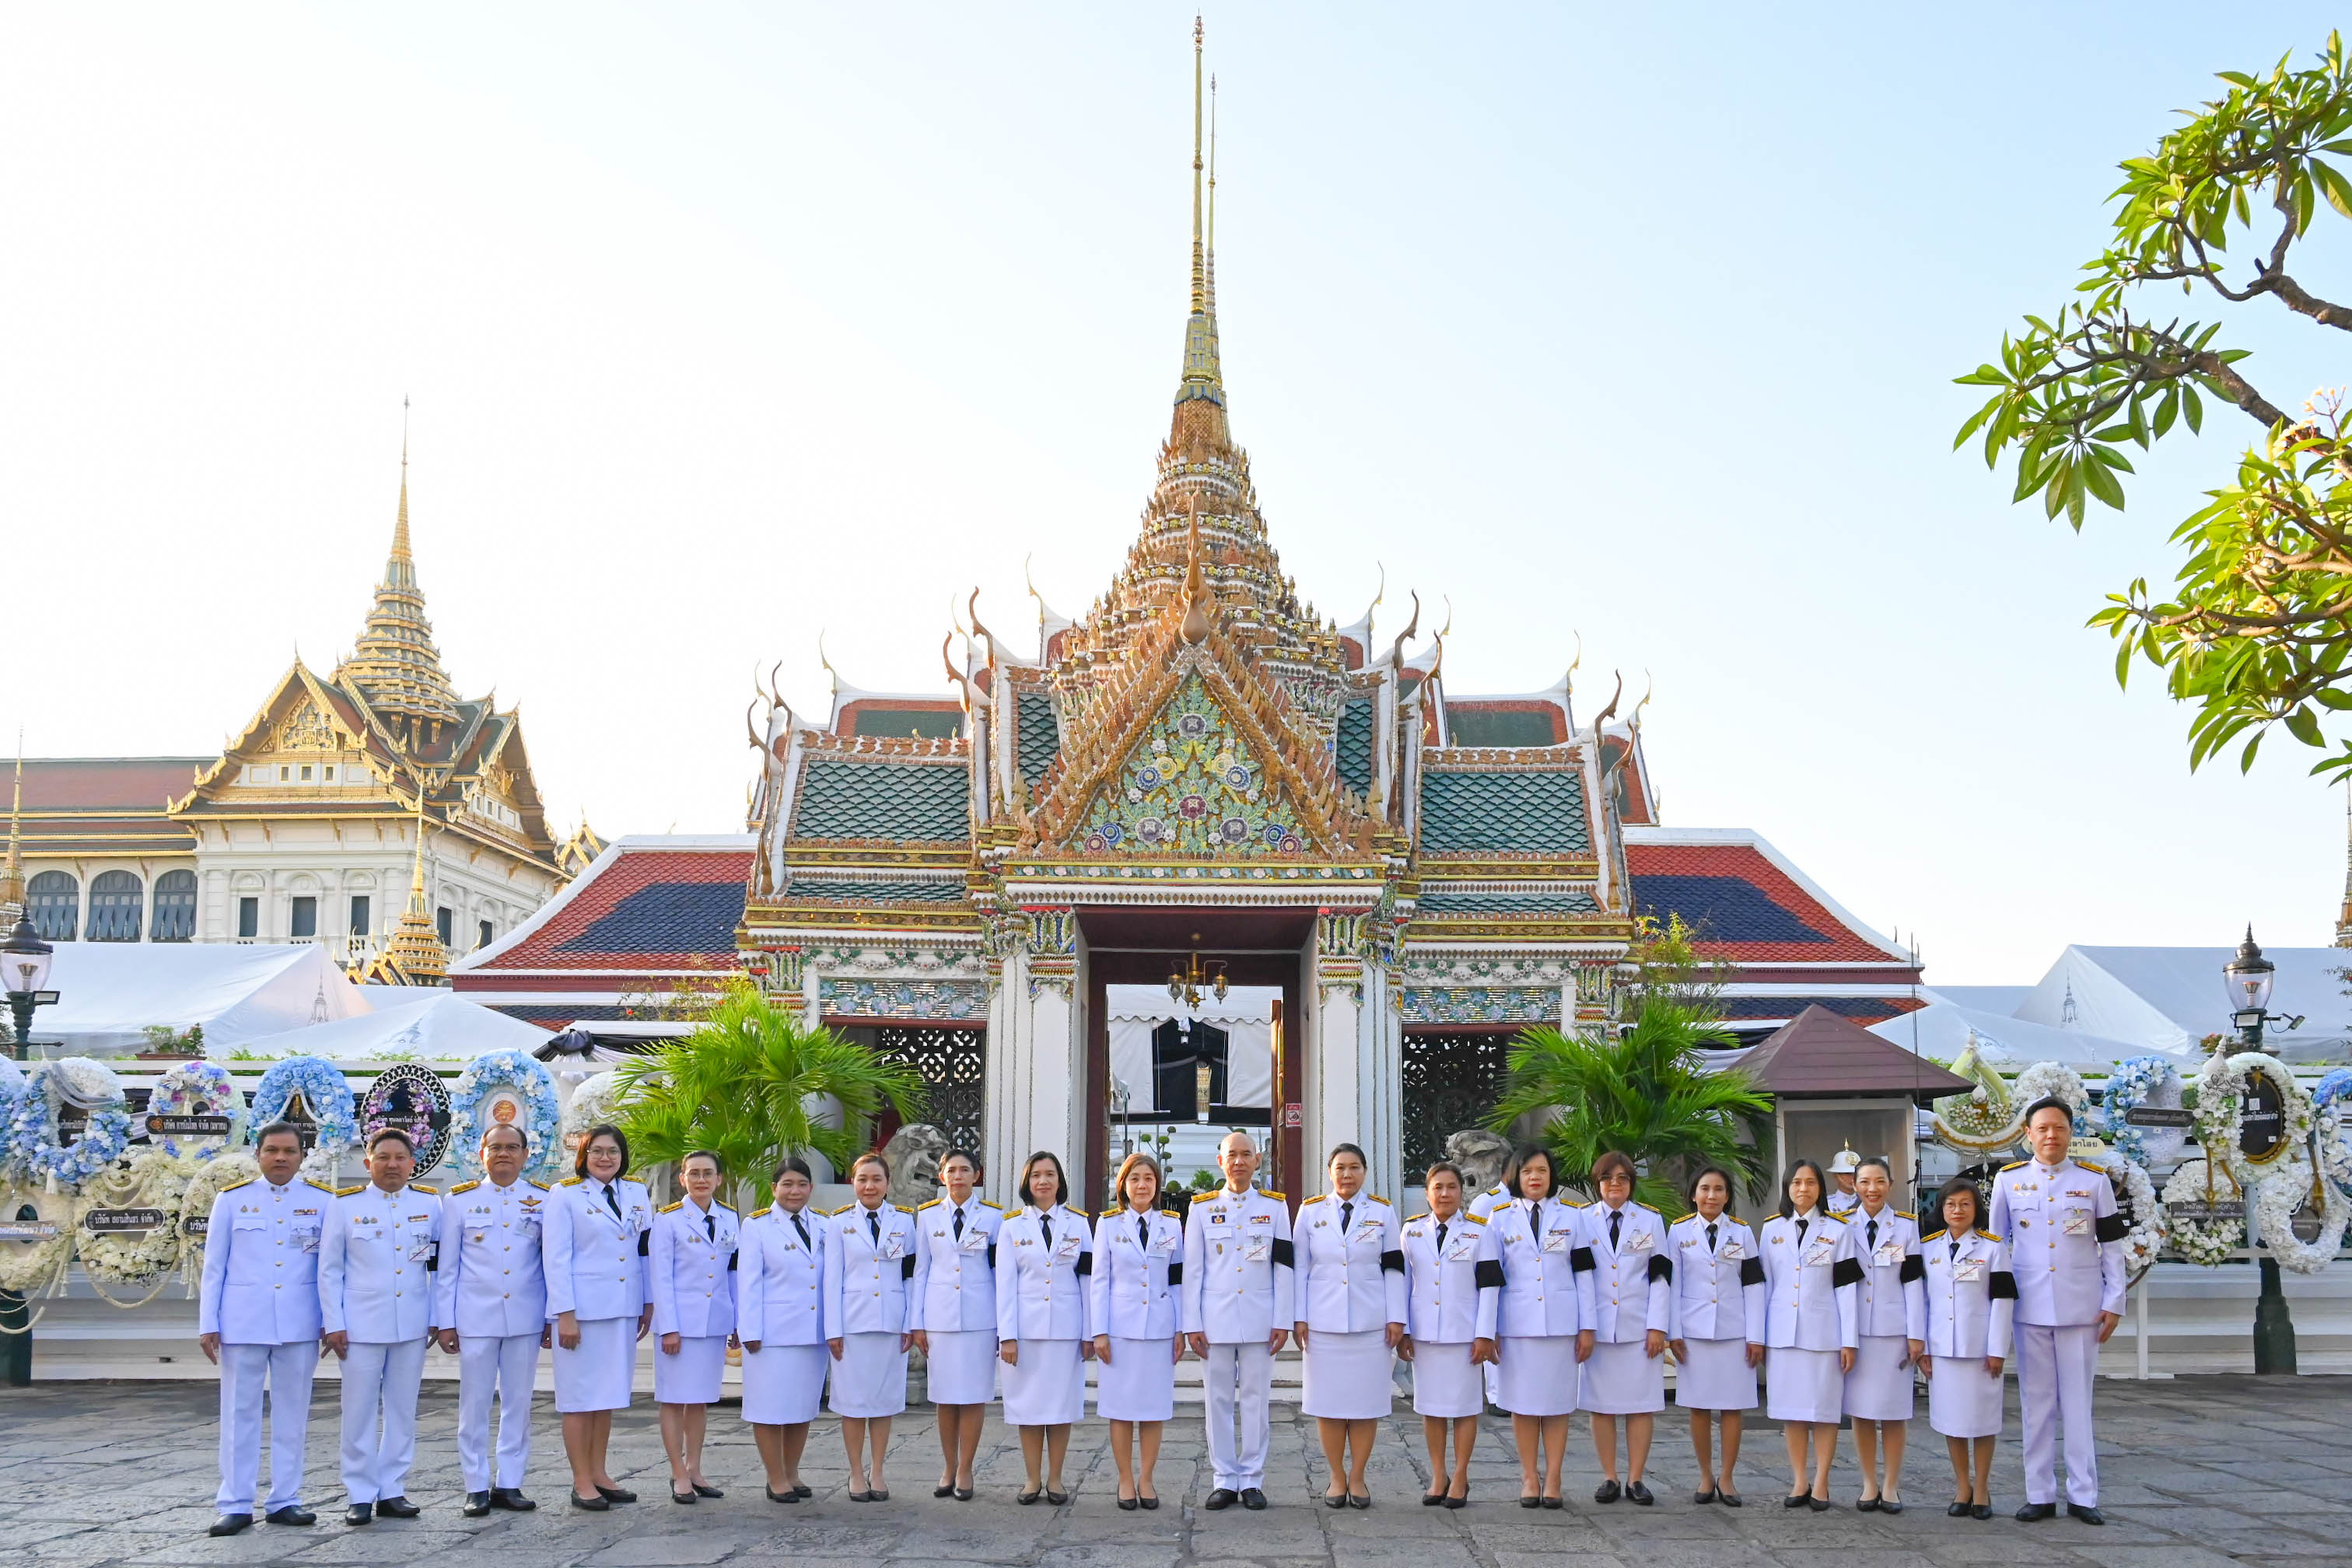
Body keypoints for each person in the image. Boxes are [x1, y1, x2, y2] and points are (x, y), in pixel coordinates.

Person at [1990, 1097, 2125, 1527]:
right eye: (2043, 1128)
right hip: (2029, 1306)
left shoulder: (2094, 1181)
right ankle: (2040, 1493)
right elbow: (1996, 1248)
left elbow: (2113, 1248)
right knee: (2037, 1403)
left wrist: (2113, 1301)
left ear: (2071, 1133)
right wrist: (1996, 1310)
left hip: (2081, 1307)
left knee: (2078, 1403)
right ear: (2028, 1134)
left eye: (2059, 1128)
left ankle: (2083, 1495)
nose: (2051, 1135)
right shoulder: (2009, 1181)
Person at [199, 1122, 327, 1537]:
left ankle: (286, 1499)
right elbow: (214, 1267)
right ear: (258, 1154)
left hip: (298, 1320)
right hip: (243, 1321)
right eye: (272, 1150)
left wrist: (330, 1321)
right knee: (239, 1414)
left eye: (289, 1151)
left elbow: (330, 1268)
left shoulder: (322, 1201)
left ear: (301, 1156)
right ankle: (235, 1502)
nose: (280, 1158)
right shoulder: (233, 1200)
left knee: (293, 1414)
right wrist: (209, 1323)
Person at [317, 1128, 441, 1527]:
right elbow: (329, 1270)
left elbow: (440, 1268)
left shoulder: (430, 1204)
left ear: (411, 1163)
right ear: (367, 1162)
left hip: (411, 1324)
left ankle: (392, 1489)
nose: (392, 1164)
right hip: (360, 1326)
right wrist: (333, 1323)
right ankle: (359, 1492)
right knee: (358, 1411)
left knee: (403, 1411)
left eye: (400, 1158)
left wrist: (437, 1317)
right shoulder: (344, 1206)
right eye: (383, 1157)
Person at [435, 1122, 551, 1517]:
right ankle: (475, 1485)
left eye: (511, 1147)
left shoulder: (544, 1200)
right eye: (495, 1147)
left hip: (525, 1314)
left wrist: (552, 1316)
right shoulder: (458, 1201)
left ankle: (510, 1482)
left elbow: (550, 1264)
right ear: (481, 1153)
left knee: (518, 1403)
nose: (503, 1154)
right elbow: (446, 1268)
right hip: (476, 1316)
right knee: (475, 1404)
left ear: (524, 1154)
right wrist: (445, 1322)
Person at [1182, 1130, 1293, 1511]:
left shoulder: (1276, 1208)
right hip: (1215, 1321)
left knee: (1256, 1401)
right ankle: (1224, 1479)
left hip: (1261, 1319)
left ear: (1258, 1160)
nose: (1240, 1161)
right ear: (1221, 1161)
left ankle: (1251, 1478)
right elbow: (1193, 1272)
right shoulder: (1201, 1209)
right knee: (1216, 1401)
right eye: (1232, 1155)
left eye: (1247, 1154)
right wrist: (1191, 1324)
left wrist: (1284, 1319)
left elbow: (1284, 1267)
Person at [544, 1123, 653, 1511]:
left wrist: (648, 1301)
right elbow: (555, 1259)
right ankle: (581, 1480)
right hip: (583, 1313)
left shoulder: (636, 1192)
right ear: (584, 1156)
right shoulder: (564, 1194)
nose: (605, 1158)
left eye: (613, 1151)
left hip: (622, 1307)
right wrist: (565, 1316)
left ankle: (600, 1472)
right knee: (578, 1399)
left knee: (606, 1397)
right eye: (597, 1151)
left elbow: (644, 1249)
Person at [1294, 1142, 1403, 1509]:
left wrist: (1396, 1317)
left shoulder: (1383, 1212)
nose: (1346, 1174)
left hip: (1370, 1322)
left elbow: (1394, 1267)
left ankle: (1358, 1476)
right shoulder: (1310, 1212)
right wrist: (1299, 1317)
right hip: (1323, 1322)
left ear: (1365, 1171)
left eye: (1354, 1167)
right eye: (1340, 1167)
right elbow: (1299, 1269)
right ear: (1329, 1172)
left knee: (1365, 1404)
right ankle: (1336, 1477)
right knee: (1328, 1405)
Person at [1476, 1146, 1584, 1509]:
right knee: (1522, 1406)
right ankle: (1529, 1476)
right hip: (1517, 1325)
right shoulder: (1500, 1217)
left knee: (1556, 1405)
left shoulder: (1574, 1216)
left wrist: (1589, 1328)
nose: (1535, 1177)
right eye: (1527, 1172)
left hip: (1560, 1324)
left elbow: (1585, 1274)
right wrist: (1488, 1329)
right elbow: (1490, 1278)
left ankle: (1553, 1477)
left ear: (1552, 1175)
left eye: (1541, 1170)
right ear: (1516, 1178)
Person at [996, 1150, 1094, 1505]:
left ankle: (1056, 1479)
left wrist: (1089, 1333)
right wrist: (1006, 1336)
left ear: (1059, 1181)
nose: (1043, 1181)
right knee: (1029, 1407)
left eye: (1050, 1174)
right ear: (1027, 1182)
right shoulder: (1011, 1226)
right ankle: (1032, 1478)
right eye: (1036, 1175)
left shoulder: (1079, 1224)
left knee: (1061, 1407)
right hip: (1026, 1333)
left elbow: (1088, 1280)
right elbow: (1005, 1284)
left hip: (1066, 1331)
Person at [1759, 1157, 1857, 1510]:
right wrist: (1760, 1335)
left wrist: (1850, 1340)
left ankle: (1821, 1481)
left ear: (1821, 1188)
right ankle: (1799, 1479)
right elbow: (1765, 1286)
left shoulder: (1839, 1230)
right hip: (1783, 1333)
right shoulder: (1771, 1230)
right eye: (1797, 1182)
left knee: (1824, 1410)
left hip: (1823, 1333)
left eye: (1811, 1182)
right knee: (1793, 1410)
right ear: (1788, 1188)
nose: (1804, 1189)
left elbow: (1846, 1289)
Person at [1573, 1150, 1671, 1506]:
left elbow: (1660, 1276)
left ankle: (1636, 1478)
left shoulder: (1649, 1221)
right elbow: (1580, 1276)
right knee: (1601, 1406)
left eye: (1623, 1179)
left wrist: (1657, 1326)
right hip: (1598, 1329)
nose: (1615, 1184)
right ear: (1597, 1183)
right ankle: (1610, 1476)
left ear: (1632, 1184)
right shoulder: (1582, 1220)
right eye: (1607, 1178)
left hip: (1638, 1326)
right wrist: (1584, 1326)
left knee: (1641, 1404)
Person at [1090, 1150, 1185, 1510]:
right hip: (1120, 1330)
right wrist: (1099, 1331)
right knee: (1121, 1408)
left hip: (1159, 1328)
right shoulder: (1108, 1225)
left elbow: (1177, 1281)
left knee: (1154, 1408)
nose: (1142, 1185)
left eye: (1148, 1178)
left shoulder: (1172, 1225)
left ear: (1157, 1185)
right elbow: (1099, 1282)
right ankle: (1125, 1479)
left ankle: (1146, 1479)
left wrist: (1180, 1329)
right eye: (1134, 1179)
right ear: (1123, 1186)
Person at [1666, 1164, 1764, 1507]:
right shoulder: (1678, 1232)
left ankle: (1727, 1477)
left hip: (1735, 1332)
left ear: (1727, 1195)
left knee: (1733, 1407)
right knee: (1698, 1407)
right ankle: (1706, 1475)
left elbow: (1754, 1284)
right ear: (1693, 1194)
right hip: (1693, 1333)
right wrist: (1673, 1332)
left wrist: (1756, 1335)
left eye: (1719, 1189)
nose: (1711, 1195)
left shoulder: (1742, 1232)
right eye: (1705, 1189)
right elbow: (1673, 1284)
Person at [1917, 1176, 2014, 1521]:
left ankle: (1983, 1488)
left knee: (1983, 1422)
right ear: (1941, 1209)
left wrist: (1998, 1349)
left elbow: (2003, 1301)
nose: (1957, 1210)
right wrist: (1924, 1348)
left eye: (1965, 1204)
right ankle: (1962, 1486)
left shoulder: (1993, 1247)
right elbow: (1922, 1302)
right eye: (1950, 1204)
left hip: (1980, 1350)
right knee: (1952, 1422)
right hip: (1942, 1349)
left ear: (1977, 1209)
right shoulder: (1927, 1248)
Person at [824, 1150, 917, 1501]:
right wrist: (833, 1329)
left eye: (877, 1179)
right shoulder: (839, 1223)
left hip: (892, 1324)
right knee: (852, 1402)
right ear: (853, 1183)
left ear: (888, 1184)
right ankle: (855, 1473)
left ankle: (878, 1471)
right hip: (852, 1325)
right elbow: (832, 1279)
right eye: (863, 1179)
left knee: (884, 1401)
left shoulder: (904, 1221)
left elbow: (910, 1277)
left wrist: (910, 1322)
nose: (869, 1186)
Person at [908, 1147, 1000, 1501]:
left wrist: (1002, 1326)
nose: (958, 1176)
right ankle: (948, 1466)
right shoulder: (929, 1216)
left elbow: (999, 1273)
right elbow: (921, 1272)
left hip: (980, 1318)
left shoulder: (994, 1218)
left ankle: (966, 1468)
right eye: (952, 1170)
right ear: (941, 1176)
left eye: (965, 1170)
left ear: (977, 1176)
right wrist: (917, 1323)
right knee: (945, 1398)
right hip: (940, 1319)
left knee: (974, 1397)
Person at [1402, 1161, 1493, 1507]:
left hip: (1464, 1334)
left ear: (1461, 1192)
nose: (1444, 1194)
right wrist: (1405, 1331)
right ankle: (1438, 1474)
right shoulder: (1411, 1232)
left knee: (1465, 1409)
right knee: (1432, 1409)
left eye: (1451, 1187)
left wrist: (1485, 1334)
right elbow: (1406, 1285)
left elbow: (1489, 1287)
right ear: (1427, 1193)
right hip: (1426, 1334)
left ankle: (1460, 1476)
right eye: (1437, 1187)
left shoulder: (1480, 1233)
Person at [1839, 1154, 1925, 1514]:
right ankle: (1868, 1483)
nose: (1872, 1189)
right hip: (1856, 1330)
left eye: (1879, 1182)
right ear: (1853, 1186)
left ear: (1890, 1185)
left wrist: (1916, 1333)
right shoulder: (1841, 1225)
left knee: (1893, 1411)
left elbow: (1914, 1282)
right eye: (1864, 1182)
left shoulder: (1906, 1227)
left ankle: (1890, 1485)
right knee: (1860, 1412)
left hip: (1893, 1331)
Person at [737, 1157, 826, 1503]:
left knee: (801, 1407)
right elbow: (748, 1283)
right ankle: (775, 1478)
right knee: (769, 1407)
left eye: (801, 1184)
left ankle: (792, 1471)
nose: (794, 1191)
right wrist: (750, 1331)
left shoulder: (823, 1224)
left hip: (811, 1332)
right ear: (774, 1188)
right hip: (771, 1334)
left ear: (810, 1188)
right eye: (787, 1184)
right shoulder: (757, 1226)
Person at [650, 1150, 737, 1504]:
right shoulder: (668, 1220)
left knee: (700, 1400)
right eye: (694, 1173)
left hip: (714, 1322)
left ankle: (695, 1468)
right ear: (682, 1179)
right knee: (673, 1400)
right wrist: (669, 1327)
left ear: (719, 1180)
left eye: (708, 1173)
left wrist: (737, 1322)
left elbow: (733, 1274)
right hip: (680, 1326)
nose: (701, 1180)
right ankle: (677, 1472)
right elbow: (661, 1277)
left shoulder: (729, 1218)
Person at [1826, 1147, 1862, 1219]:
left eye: (1855, 1173)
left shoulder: (1866, 1202)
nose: (1853, 1177)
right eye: (1847, 1173)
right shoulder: (1826, 1204)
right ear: (1835, 1175)